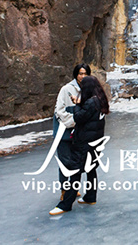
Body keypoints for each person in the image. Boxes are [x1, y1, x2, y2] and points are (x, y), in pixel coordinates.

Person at [50, 75, 109, 215]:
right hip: (95, 143)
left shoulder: (90, 103)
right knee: (91, 169)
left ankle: (65, 204)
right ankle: (90, 196)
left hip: (84, 143)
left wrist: (77, 103)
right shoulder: (100, 101)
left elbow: (78, 117)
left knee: (75, 172)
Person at [50, 63, 87, 212]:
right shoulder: (66, 89)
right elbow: (59, 110)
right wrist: (74, 121)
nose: (83, 76)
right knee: (65, 162)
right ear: (75, 74)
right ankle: (64, 190)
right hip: (63, 132)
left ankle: (72, 189)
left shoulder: (86, 90)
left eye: (85, 74)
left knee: (75, 162)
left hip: (77, 133)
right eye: (80, 73)